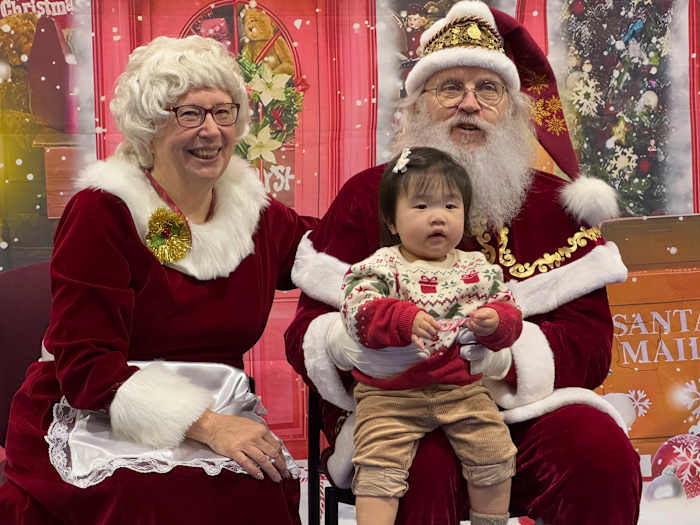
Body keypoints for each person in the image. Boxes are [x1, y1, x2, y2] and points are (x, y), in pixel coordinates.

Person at [285, 2, 642, 524]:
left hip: (525, 407)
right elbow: (303, 336)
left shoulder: (555, 206)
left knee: (598, 452)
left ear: (513, 109)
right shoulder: (368, 196)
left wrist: (503, 359)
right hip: (398, 403)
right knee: (423, 473)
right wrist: (357, 342)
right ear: (417, 106)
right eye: (449, 87)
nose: (468, 104)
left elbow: (591, 347)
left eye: (487, 89)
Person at [0, 35, 314, 524]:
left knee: (262, 490)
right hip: (100, 408)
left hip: (216, 403)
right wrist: (210, 427)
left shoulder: (254, 212)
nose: (210, 130)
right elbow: (86, 367)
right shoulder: (102, 211)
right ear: (149, 126)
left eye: (223, 112)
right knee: (154, 503)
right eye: (188, 114)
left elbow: (329, 249)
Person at [342, 146, 521, 525]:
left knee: (496, 451)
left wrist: (496, 322)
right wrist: (403, 318)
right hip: (391, 394)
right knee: (378, 465)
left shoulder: (479, 268)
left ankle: (492, 520)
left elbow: (510, 313)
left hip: (463, 390)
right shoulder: (382, 265)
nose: (437, 217)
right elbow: (357, 310)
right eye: (421, 207)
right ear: (392, 221)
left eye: (450, 207)